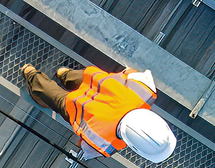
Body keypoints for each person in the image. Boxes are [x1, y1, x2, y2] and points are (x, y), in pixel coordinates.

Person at [21, 61, 176, 162]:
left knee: (77, 78)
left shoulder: (146, 94)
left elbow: (132, 72)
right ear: (135, 146)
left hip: (93, 80)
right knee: (53, 96)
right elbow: (85, 145)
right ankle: (30, 74)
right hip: (74, 105)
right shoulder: (106, 143)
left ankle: (64, 74)